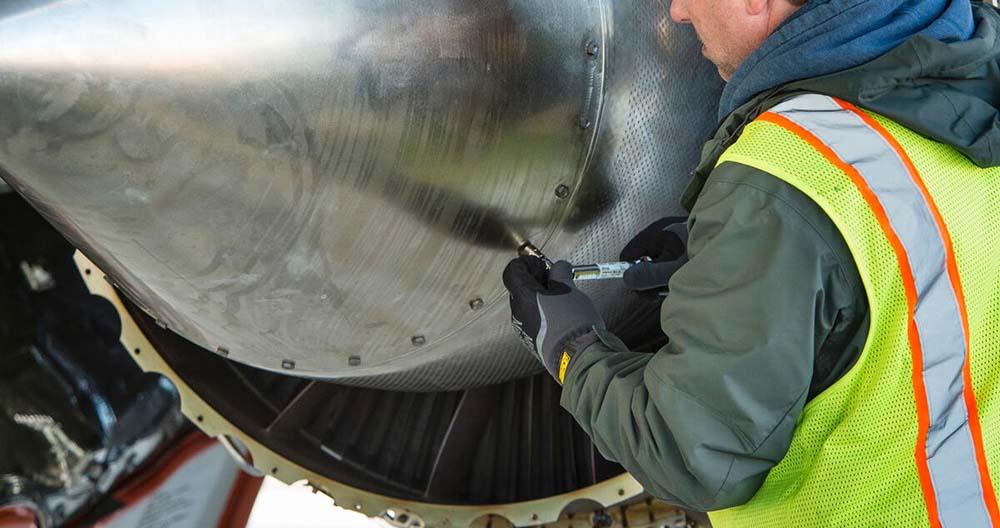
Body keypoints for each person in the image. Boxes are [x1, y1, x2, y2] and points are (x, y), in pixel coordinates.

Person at [502, 0, 1000, 526]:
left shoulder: (785, 173)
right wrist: (730, 258)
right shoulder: (967, 79)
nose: (678, 13)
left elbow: (690, 454)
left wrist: (571, 350)